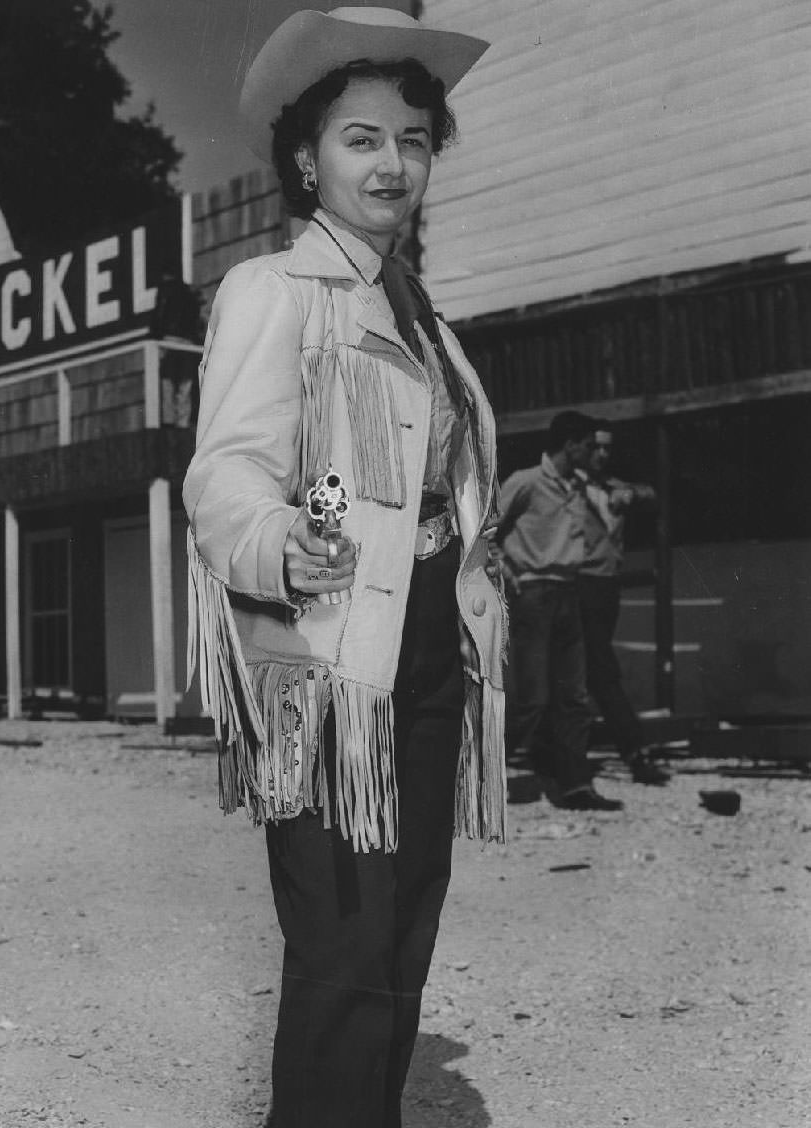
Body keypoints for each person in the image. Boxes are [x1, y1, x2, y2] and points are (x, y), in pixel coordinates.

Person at [182, 9, 505, 1127]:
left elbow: (401, 480)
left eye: (412, 139)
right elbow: (227, 477)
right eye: (361, 139)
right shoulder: (273, 293)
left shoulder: (426, 326)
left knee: (403, 922)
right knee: (342, 938)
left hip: (423, 653)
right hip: (322, 664)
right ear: (307, 161)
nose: (392, 162)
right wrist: (283, 542)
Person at [494, 411, 623, 812]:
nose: (594, 452)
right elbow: (484, 528)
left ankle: (575, 787)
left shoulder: (579, 487)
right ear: (571, 446)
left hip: (571, 593)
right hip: (533, 595)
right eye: (589, 445)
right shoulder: (527, 482)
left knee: (574, 697)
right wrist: (506, 573)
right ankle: (477, 775)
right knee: (531, 699)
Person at [578, 422, 670, 784]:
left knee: (593, 669)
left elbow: (651, 496)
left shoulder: (614, 487)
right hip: (574, 586)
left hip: (605, 589)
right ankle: (633, 751)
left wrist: (631, 493)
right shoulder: (565, 488)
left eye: (607, 448)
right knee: (597, 671)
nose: (602, 454)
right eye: (595, 447)